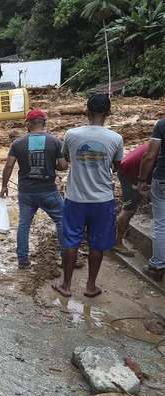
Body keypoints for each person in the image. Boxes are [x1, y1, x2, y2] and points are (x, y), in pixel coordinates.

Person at [53, 94, 123, 298]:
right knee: (97, 244)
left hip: (75, 198)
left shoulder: (71, 134)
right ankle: (90, 286)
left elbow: (65, 159)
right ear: (108, 112)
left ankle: (66, 285)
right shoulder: (116, 138)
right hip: (102, 200)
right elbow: (118, 168)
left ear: (87, 111)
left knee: (71, 241)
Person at [0, 108, 68, 269]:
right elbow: (63, 166)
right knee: (62, 220)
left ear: (28, 125)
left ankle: (23, 260)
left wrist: (4, 186)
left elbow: (9, 165)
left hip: (26, 192)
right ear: (44, 123)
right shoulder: (55, 142)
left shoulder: (17, 143)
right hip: (49, 190)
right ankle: (66, 257)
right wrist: (53, 165)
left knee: (24, 224)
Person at [138, 118, 165, 280]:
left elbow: (150, 156)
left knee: (161, 224)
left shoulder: (162, 124)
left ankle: (157, 266)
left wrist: (142, 179)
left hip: (163, 179)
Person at [113, 142, 149, 257]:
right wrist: (141, 183)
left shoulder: (158, 140)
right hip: (129, 172)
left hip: (133, 168)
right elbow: (149, 159)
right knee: (129, 209)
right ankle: (117, 242)